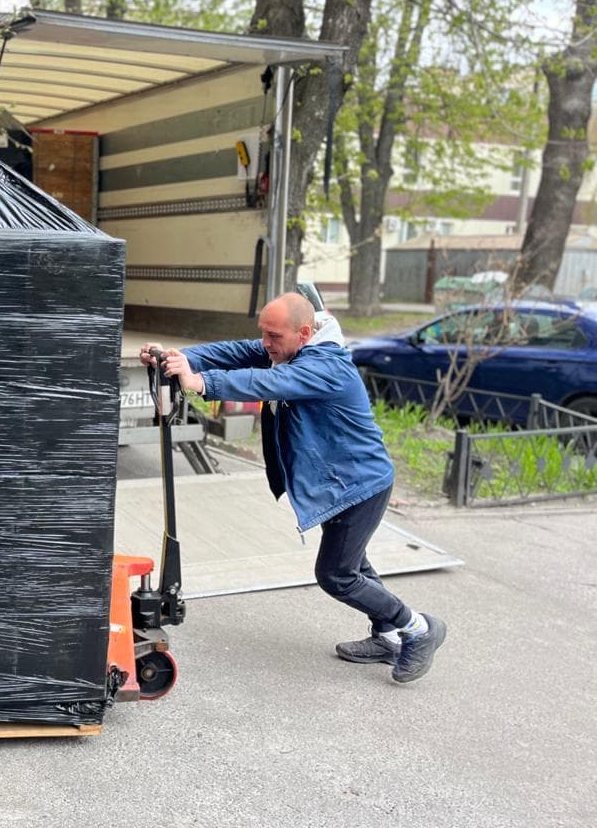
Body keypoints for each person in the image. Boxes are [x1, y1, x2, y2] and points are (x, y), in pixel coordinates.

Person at [140, 292, 447, 684]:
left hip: (361, 483)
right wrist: (178, 358)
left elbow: (272, 382)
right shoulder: (287, 347)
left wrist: (201, 382)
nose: (265, 343)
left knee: (337, 574)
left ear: (304, 333)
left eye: (274, 336)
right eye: (263, 333)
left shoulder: (326, 366)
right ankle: (388, 636)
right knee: (353, 563)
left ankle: (419, 628)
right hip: (337, 481)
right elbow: (236, 352)